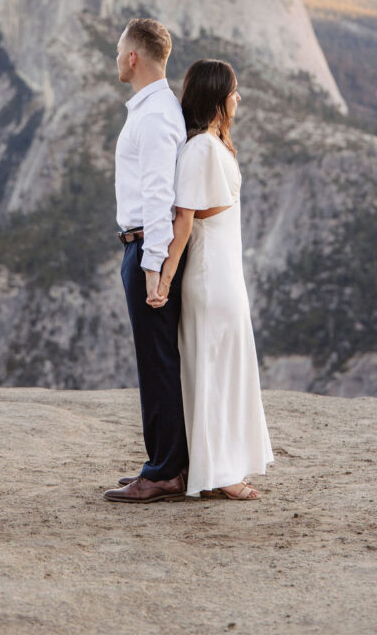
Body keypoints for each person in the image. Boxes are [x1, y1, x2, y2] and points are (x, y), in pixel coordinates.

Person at [156, 59, 273, 500]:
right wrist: (165, 278)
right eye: (233, 90)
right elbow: (184, 219)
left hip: (226, 272)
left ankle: (224, 465)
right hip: (208, 275)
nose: (238, 97)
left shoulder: (215, 144)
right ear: (216, 97)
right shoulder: (201, 149)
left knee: (225, 366)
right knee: (212, 369)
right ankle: (219, 472)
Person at [103, 18, 189, 504]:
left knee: (157, 363)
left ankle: (164, 472)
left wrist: (153, 269)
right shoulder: (151, 109)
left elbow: (160, 196)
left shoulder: (155, 116)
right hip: (139, 248)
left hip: (146, 251)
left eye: (119, 51)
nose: (116, 58)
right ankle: (161, 462)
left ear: (133, 57)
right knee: (154, 361)